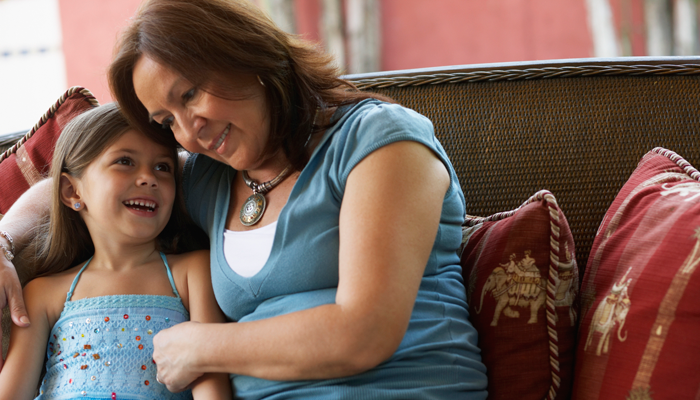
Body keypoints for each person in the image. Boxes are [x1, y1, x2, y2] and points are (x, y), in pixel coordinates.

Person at [0, 0, 488, 398]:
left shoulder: (380, 143)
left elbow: (365, 332)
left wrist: (203, 346)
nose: (189, 133)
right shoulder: (213, 178)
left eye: (189, 95)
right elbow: (67, 186)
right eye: (167, 121)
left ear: (243, 54)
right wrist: (2, 243)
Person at [0, 103, 231, 399]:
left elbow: (211, 383)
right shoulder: (42, 293)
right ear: (72, 192)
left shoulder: (192, 271)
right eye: (125, 161)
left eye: (163, 167)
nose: (149, 178)